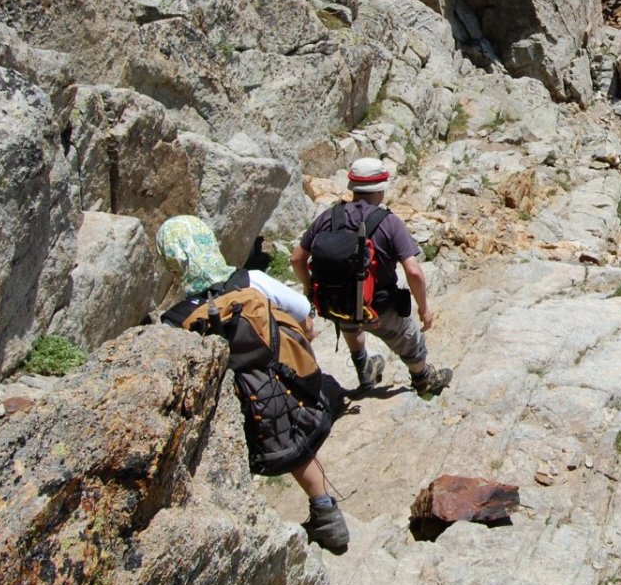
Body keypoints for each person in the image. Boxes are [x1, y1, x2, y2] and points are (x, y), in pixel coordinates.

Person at [156, 215, 349, 554]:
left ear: (173, 262)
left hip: (229, 414)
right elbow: (305, 316)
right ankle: (327, 515)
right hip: (280, 389)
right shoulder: (251, 281)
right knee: (297, 446)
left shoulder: (174, 321)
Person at [291, 157, 453, 397]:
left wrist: (308, 290)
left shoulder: (329, 217)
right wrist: (424, 309)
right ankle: (423, 379)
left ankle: (364, 370)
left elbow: (296, 259)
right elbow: (414, 271)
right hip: (380, 308)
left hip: (335, 304)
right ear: (381, 188)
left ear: (353, 187)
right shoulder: (388, 222)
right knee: (411, 340)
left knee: (350, 318)